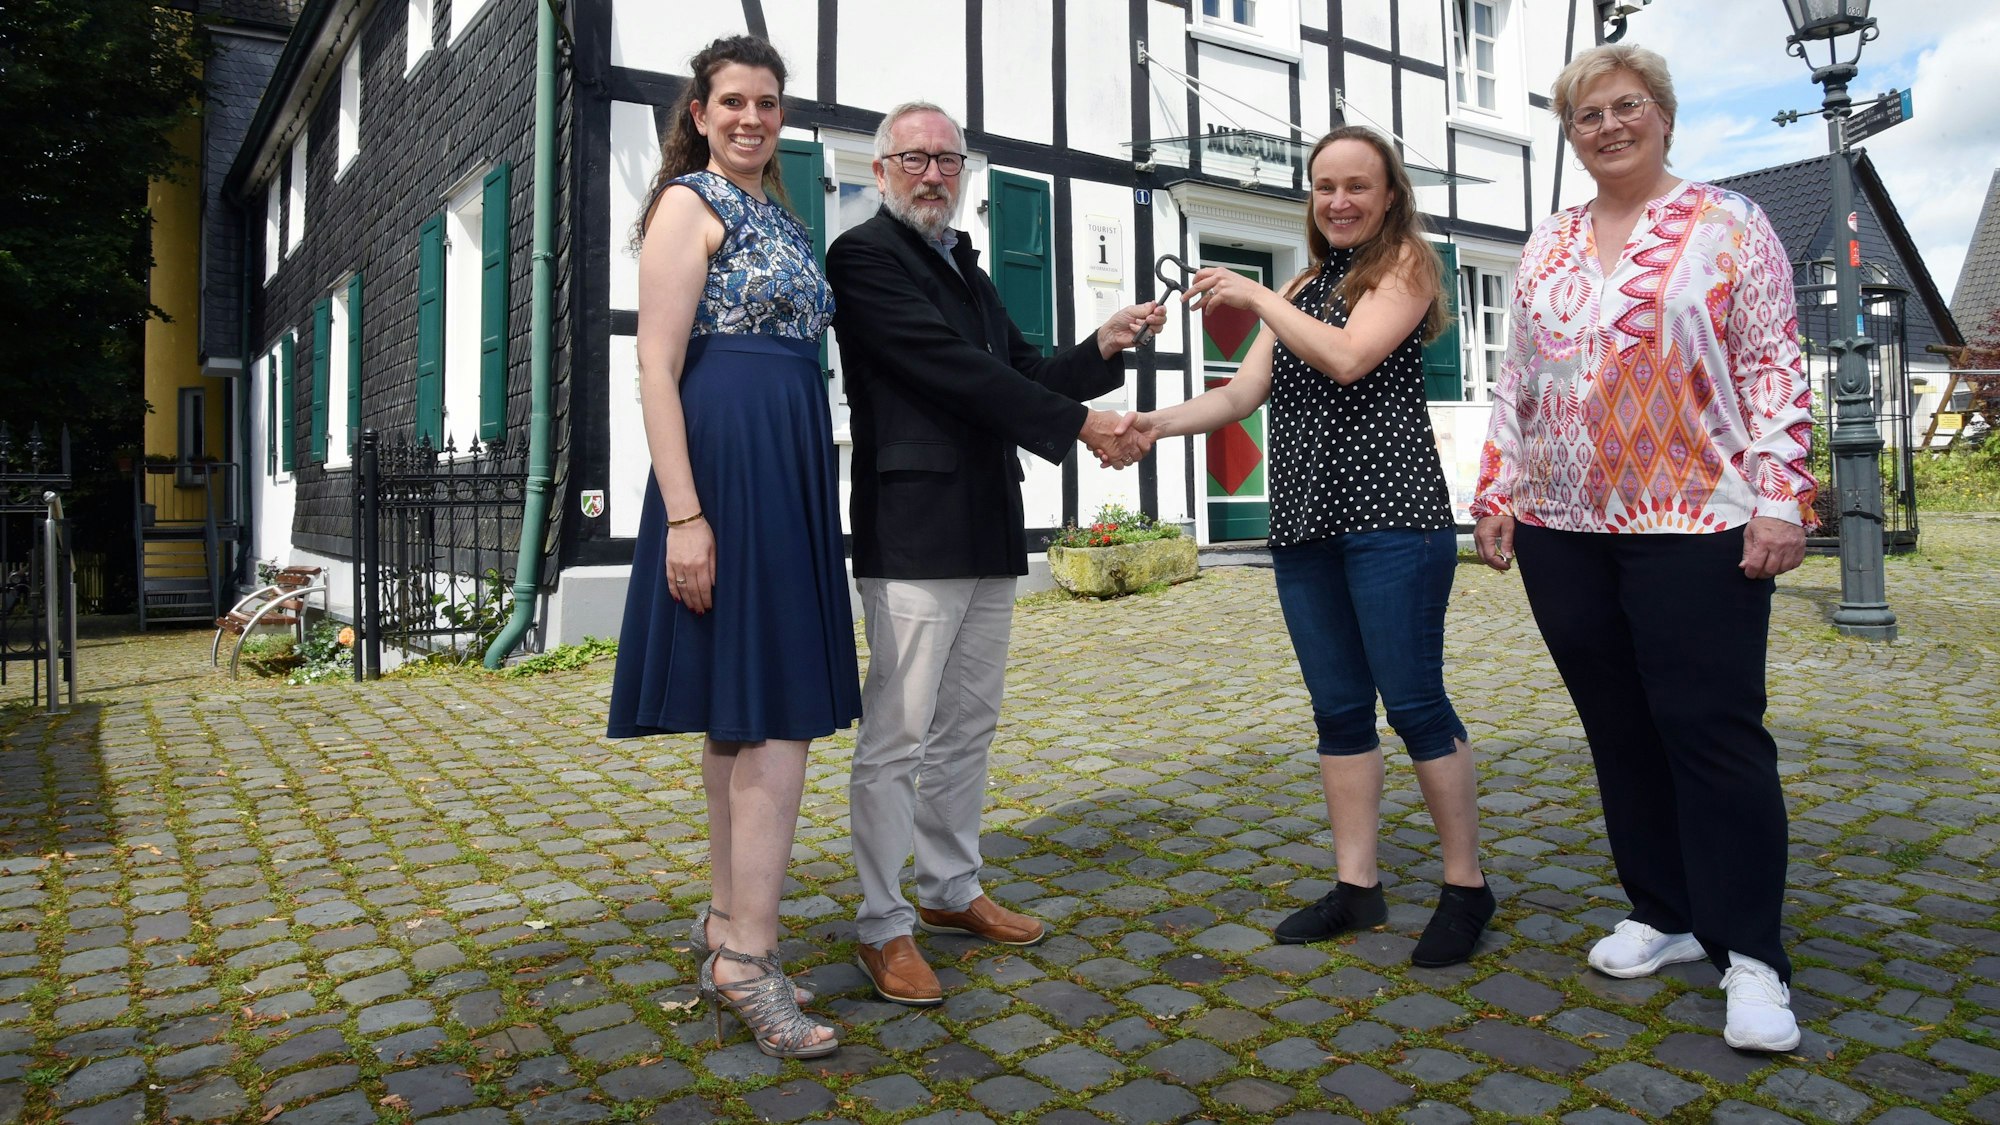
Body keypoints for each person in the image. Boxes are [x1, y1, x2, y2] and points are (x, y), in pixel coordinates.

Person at [1469, 44, 1814, 1052]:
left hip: (1698, 518)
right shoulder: (1545, 242)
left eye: (1626, 107)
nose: (1608, 126)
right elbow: (1517, 378)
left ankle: (1749, 957)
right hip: (1564, 527)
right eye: (1586, 115)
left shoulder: (1727, 224)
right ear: (1568, 134)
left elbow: (1770, 364)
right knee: (1616, 727)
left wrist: (1780, 497)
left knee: (1711, 733)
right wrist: (1500, 488)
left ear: (1661, 115)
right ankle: (1662, 914)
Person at [1121, 125, 1495, 968]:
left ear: (1389, 194)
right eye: (1325, 186)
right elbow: (1243, 392)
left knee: (1414, 703)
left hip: (1393, 519)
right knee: (1336, 709)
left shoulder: (1404, 266)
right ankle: (1358, 886)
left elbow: (1350, 356)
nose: (1338, 201)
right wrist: (1150, 425)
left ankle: (1466, 885)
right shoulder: (1303, 280)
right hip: (1306, 523)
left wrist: (1254, 299)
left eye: (1357, 186)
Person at [826, 101, 1164, 1006]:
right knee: (896, 734)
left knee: (968, 724)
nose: (934, 174)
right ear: (880, 168)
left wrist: (1098, 350)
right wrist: (1084, 424)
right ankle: (882, 922)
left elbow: (1016, 372)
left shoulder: (966, 271)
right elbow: (951, 369)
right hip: (912, 528)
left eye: (948, 160)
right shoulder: (863, 258)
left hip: (985, 523)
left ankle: (948, 887)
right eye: (915, 159)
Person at [606, 34, 857, 1059]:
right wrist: (685, 515)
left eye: (767, 104)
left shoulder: (784, 217)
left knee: (737, 716)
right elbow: (656, 370)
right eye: (733, 103)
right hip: (725, 474)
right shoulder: (686, 204)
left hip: (787, 465)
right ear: (699, 113)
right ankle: (751, 960)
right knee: (776, 714)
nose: (752, 118)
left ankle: (723, 926)